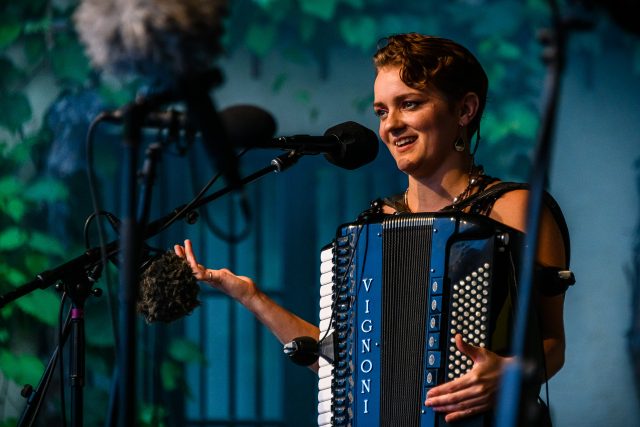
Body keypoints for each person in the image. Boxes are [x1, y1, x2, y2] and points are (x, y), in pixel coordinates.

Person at [174, 33, 572, 424]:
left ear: (465, 110)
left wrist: (512, 373)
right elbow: (344, 371)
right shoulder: (375, 225)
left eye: (409, 104)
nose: (391, 126)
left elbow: (552, 341)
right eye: (382, 111)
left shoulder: (515, 208)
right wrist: (251, 296)